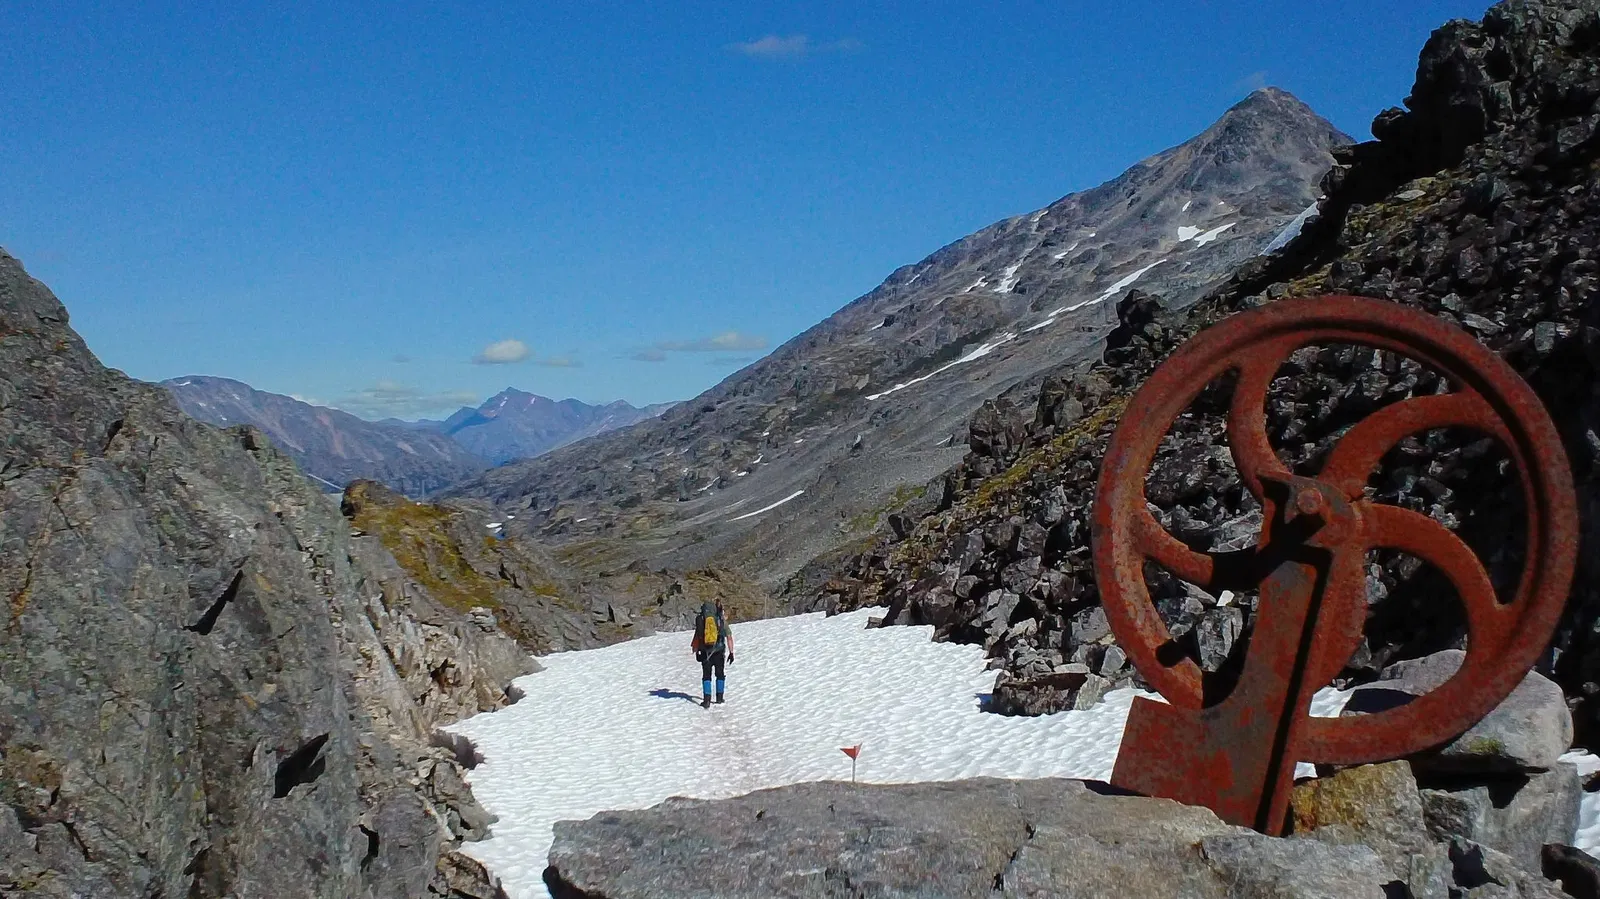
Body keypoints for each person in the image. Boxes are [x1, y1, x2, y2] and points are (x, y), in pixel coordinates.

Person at [690, 601, 734, 708]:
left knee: (706, 676)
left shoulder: (702, 620)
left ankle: (707, 701)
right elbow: (729, 637)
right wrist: (731, 652)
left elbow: (697, 637)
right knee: (720, 674)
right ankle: (719, 698)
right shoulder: (720, 621)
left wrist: (696, 651)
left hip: (705, 652)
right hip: (719, 652)